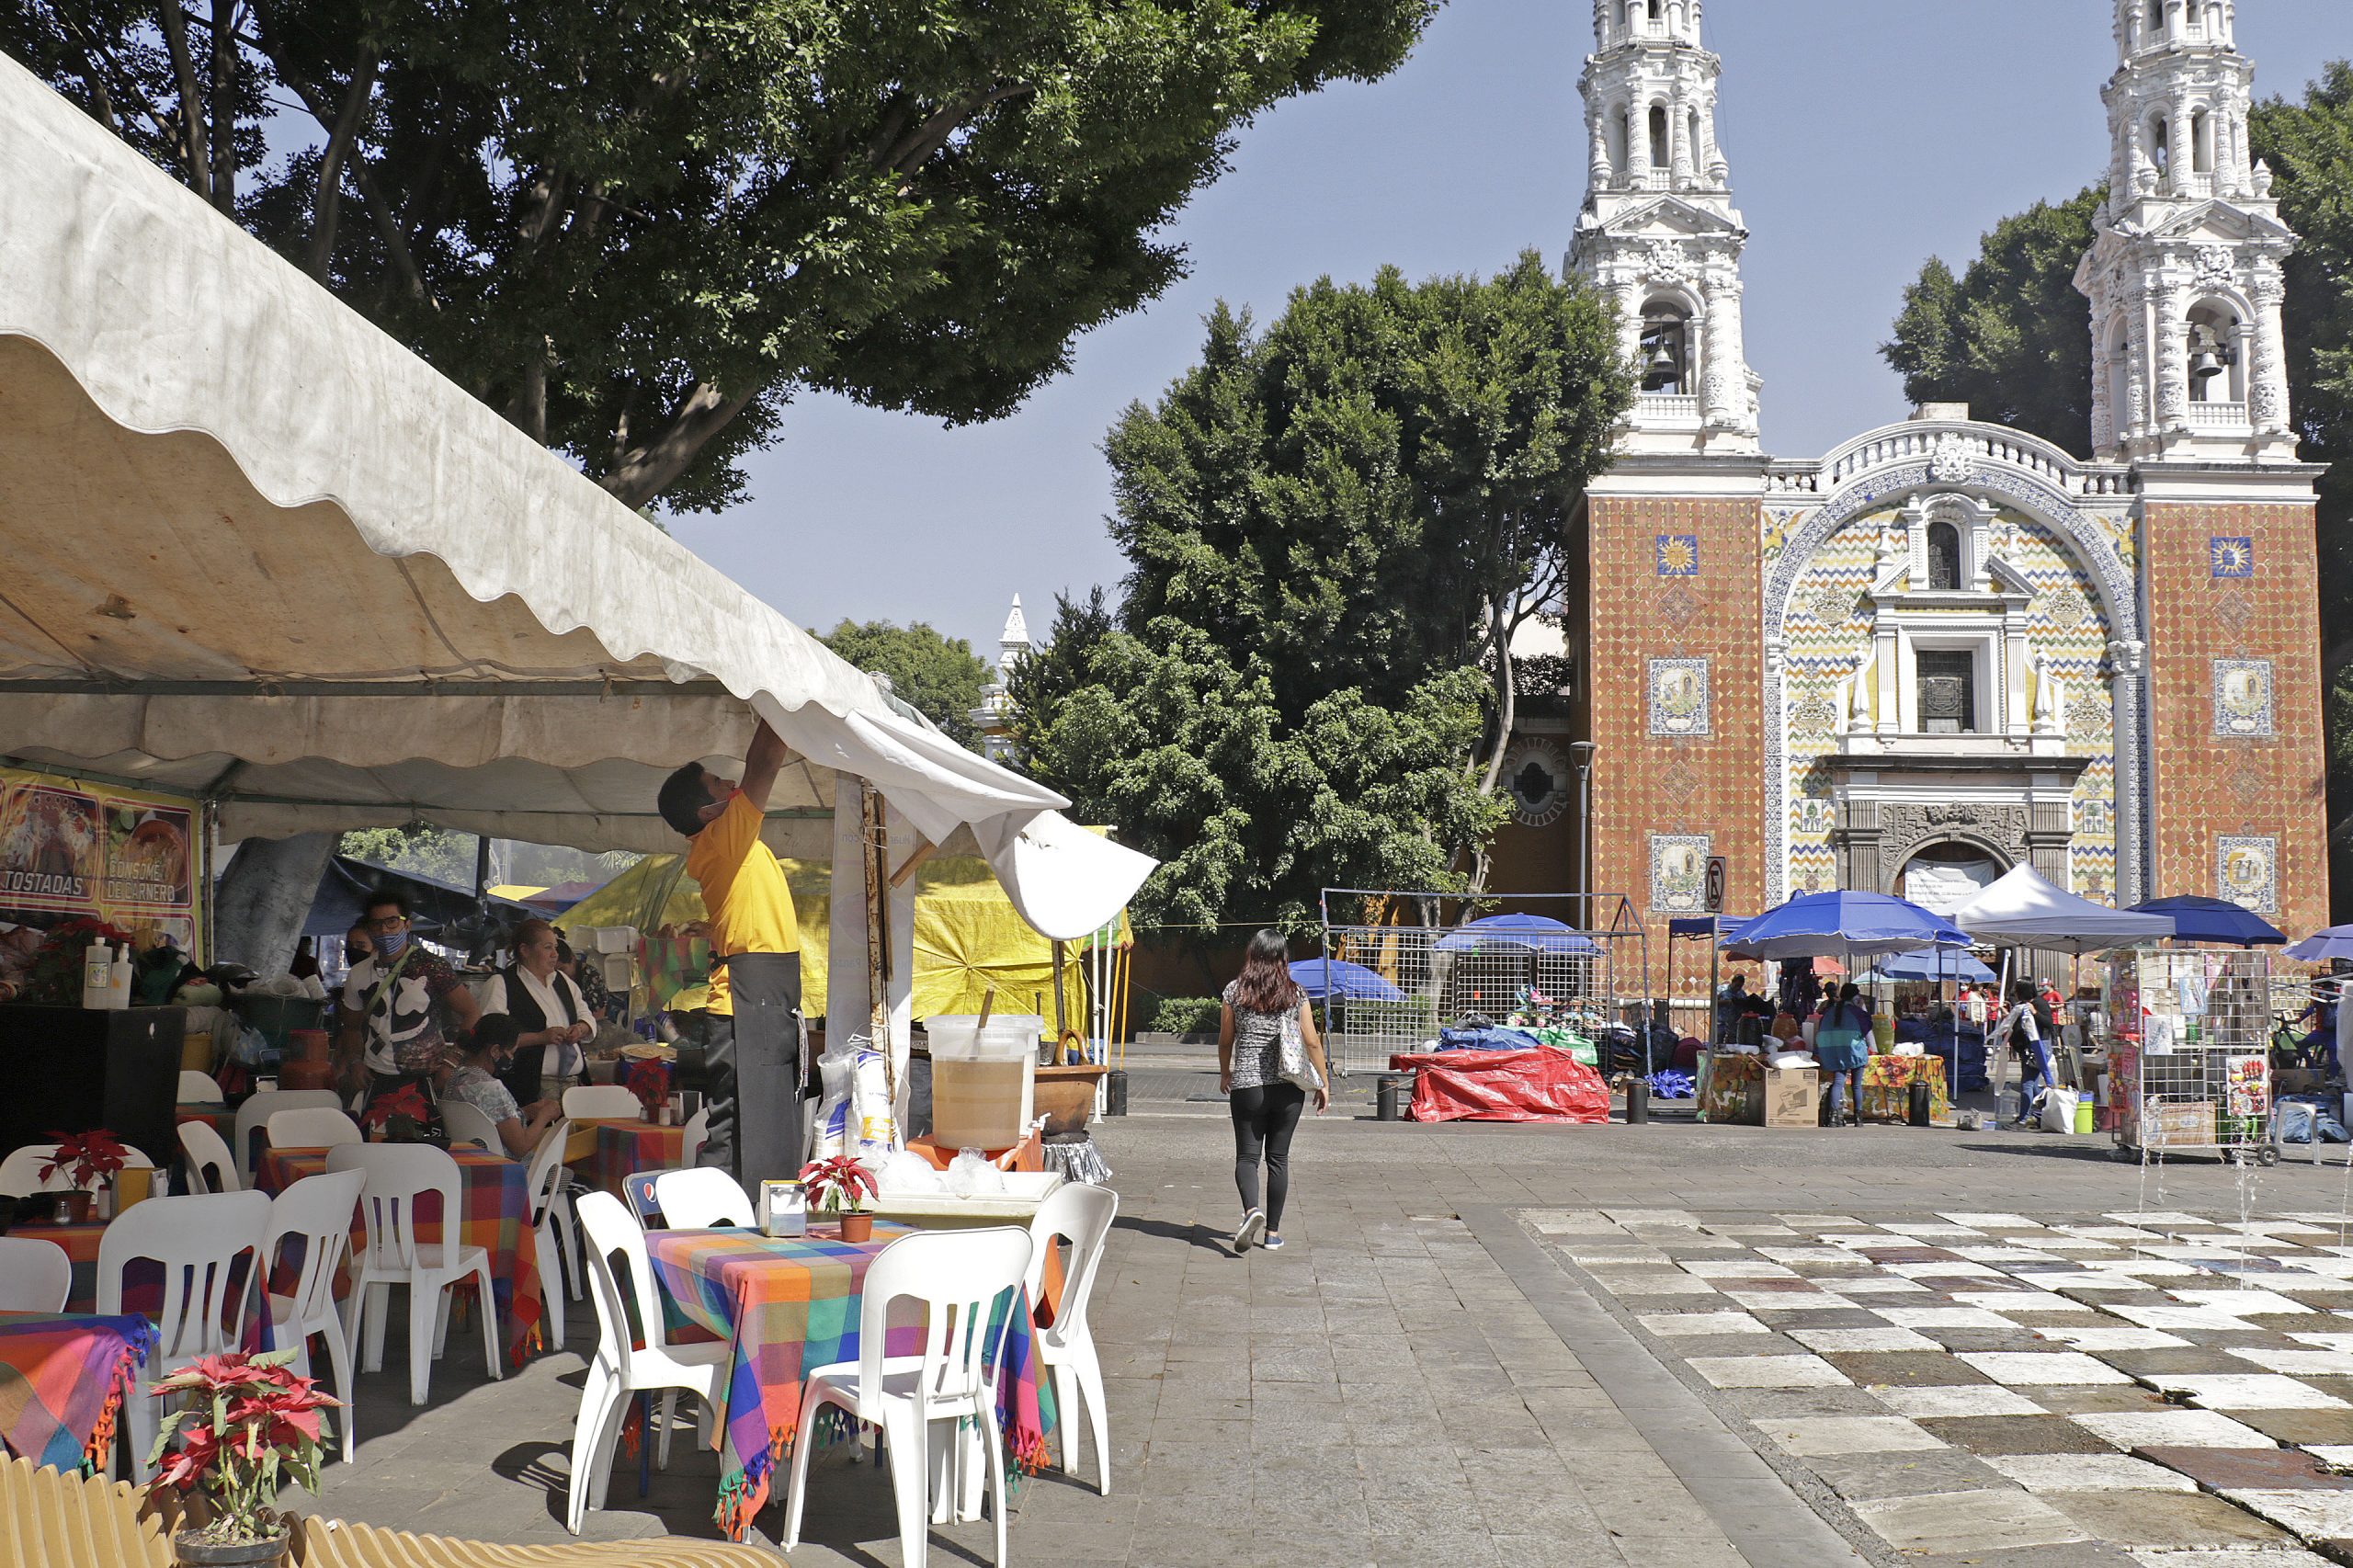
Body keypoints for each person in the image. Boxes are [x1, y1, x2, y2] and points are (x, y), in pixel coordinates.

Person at [657, 719, 801, 1187]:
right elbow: (763, 764)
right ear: (707, 812)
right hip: (745, 998)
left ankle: (735, 1220)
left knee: (754, 1123)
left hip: (760, 992)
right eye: (720, 784)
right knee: (735, 1128)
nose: (733, 786)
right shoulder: (723, 839)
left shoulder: (726, 840)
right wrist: (779, 705)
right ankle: (705, 1229)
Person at [1218, 930, 1330, 1254]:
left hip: (1248, 1086)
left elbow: (1227, 1040)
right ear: (1283, 958)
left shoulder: (1234, 992)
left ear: (1251, 954)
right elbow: (1311, 1041)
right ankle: (1272, 1234)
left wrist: (1227, 1071)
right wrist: (1322, 1082)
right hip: (1288, 1087)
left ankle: (1252, 1210)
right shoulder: (1296, 994)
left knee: (1247, 1157)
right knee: (1278, 1159)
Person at [336, 886, 479, 1109]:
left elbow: (471, 1013)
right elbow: (351, 1027)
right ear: (370, 929)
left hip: (425, 1080)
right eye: (377, 924)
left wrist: (451, 1062)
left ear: (407, 924)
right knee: (374, 1142)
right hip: (376, 1080)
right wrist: (355, 1062)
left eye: (392, 921)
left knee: (422, 1144)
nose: (385, 930)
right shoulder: (358, 974)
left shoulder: (433, 966)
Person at [487, 918, 596, 1107]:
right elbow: (494, 1038)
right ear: (525, 950)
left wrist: (580, 1028)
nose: (555, 954)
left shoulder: (562, 980)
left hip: (573, 1086)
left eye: (555, 947)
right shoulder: (502, 983)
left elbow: (586, 1014)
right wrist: (540, 1037)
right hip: (530, 1089)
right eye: (547, 948)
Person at [442, 1015, 563, 1157]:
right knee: (568, 1175)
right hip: (507, 1170)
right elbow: (520, 1146)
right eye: (511, 1052)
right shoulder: (490, 1088)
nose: (512, 1058)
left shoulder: (457, 1077)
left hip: (471, 1164)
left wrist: (524, 1112)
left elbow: (487, 1122)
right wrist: (544, 1116)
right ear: (495, 1051)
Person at [1815, 982, 1873, 1127]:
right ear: (1855, 996)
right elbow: (1867, 1027)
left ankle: (1833, 1118)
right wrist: (1862, 1007)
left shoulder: (1830, 1011)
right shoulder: (1857, 1012)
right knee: (1856, 1085)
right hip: (1855, 1051)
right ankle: (1858, 1119)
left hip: (1835, 1052)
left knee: (1838, 1082)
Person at [2001, 981, 2053, 1129]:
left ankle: (2023, 1118)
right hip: (2028, 1048)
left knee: (2027, 1084)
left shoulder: (2039, 1003)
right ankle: (2042, 1111)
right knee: (2034, 1085)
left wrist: (2035, 1012)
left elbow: (2049, 1023)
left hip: (2039, 1047)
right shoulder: (2021, 1004)